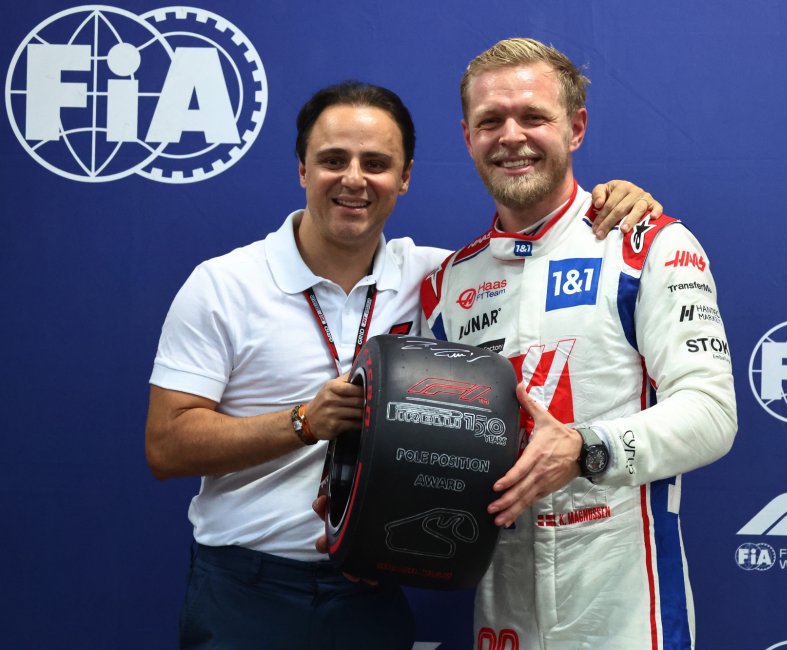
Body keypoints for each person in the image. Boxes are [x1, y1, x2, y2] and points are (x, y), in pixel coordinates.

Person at [145, 79, 662, 649]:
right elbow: (167, 446)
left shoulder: (439, 281)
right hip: (248, 589)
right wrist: (303, 423)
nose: (354, 180)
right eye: (333, 160)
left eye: (376, 163)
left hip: (372, 585)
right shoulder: (224, 285)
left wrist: (617, 200)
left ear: (406, 177)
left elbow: (535, 256)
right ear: (302, 170)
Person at [418, 38, 737, 648]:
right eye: (491, 121)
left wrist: (586, 448)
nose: (512, 136)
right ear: (467, 137)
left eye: (534, 116)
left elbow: (713, 413)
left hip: (623, 605)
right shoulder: (445, 285)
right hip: (501, 605)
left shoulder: (648, 245)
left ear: (576, 127)